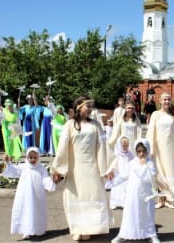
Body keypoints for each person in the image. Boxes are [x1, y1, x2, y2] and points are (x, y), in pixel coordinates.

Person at [51, 96, 111, 241]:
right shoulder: (70, 124)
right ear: (78, 107)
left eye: (91, 106)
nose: (90, 109)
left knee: (93, 195)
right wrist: (58, 169)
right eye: (87, 106)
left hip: (92, 167)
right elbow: (62, 148)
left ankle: (95, 227)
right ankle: (79, 229)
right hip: (75, 168)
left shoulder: (96, 125)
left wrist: (107, 168)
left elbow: (103, 147)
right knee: (78, 196)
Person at [110, 139, 160, 243]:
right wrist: (112, 180)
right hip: (132, 195)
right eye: (139, 151)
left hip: (146, 195)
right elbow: (124, 175)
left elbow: (150, 177)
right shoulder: (132, 163)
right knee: (130, 213)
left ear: (147, 151)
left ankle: (151, 234)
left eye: (143, 151)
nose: (141, 154)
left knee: (146, 213)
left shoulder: (150, 163)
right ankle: (124, 234)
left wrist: (145, 164)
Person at [2, 146, 56, 240]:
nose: (33, 159)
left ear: (38, 157)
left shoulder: (41, 168)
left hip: (37, 196)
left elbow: (46, 180)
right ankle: (26, 230)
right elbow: (13, 170)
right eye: (30, 157)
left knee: (36, 211)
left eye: (35, 157)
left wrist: (53, 181)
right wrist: (7, 162)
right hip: (24, 195)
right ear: (27, 157)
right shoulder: (23, 167)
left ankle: (37, 230)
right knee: (25, 211)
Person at [146, 92, 174, 209]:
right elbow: (151, 131)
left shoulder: (173, 117)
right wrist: (150, 149)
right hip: (158, 149)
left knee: (169, 172)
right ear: (160, 101)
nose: (166, 102)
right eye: (164, 100)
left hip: (169, 149)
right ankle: (160, 199)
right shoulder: (155, 114)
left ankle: (169, 199)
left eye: (168, 100)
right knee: (158, 174)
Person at [106, 136, 134, 210]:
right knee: (115, 189)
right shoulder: (117, 154)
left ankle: (123, 202)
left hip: (126, 174)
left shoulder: (129, 154)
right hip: (118, 174)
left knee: (125, 189)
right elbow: (113, 163)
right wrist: (111, 171)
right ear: (119, 145)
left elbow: (132, 161)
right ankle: (113, 202)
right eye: (123, 146)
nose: (125, 147)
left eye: (126, 146)